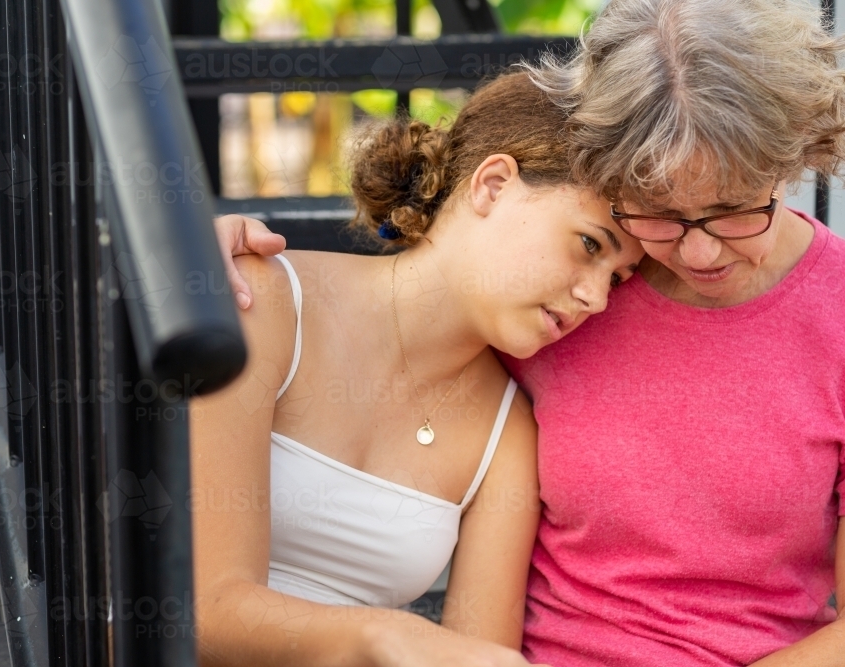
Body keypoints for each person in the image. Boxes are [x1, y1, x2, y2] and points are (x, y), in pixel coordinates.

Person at [214, 0, 845, 665]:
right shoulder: (540, 315)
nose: (699, 254)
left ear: (792, 161)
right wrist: (194, 261)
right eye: (660, 214)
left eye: (735, 210)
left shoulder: (825, 312)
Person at [190, 72, 643, 667]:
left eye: (617, 277)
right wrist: (386, 637)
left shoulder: (507, 434)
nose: (597, 299)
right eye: (590, 245)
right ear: (494, 184)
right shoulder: (263, 299)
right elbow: (203, 610)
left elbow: (483, 659)